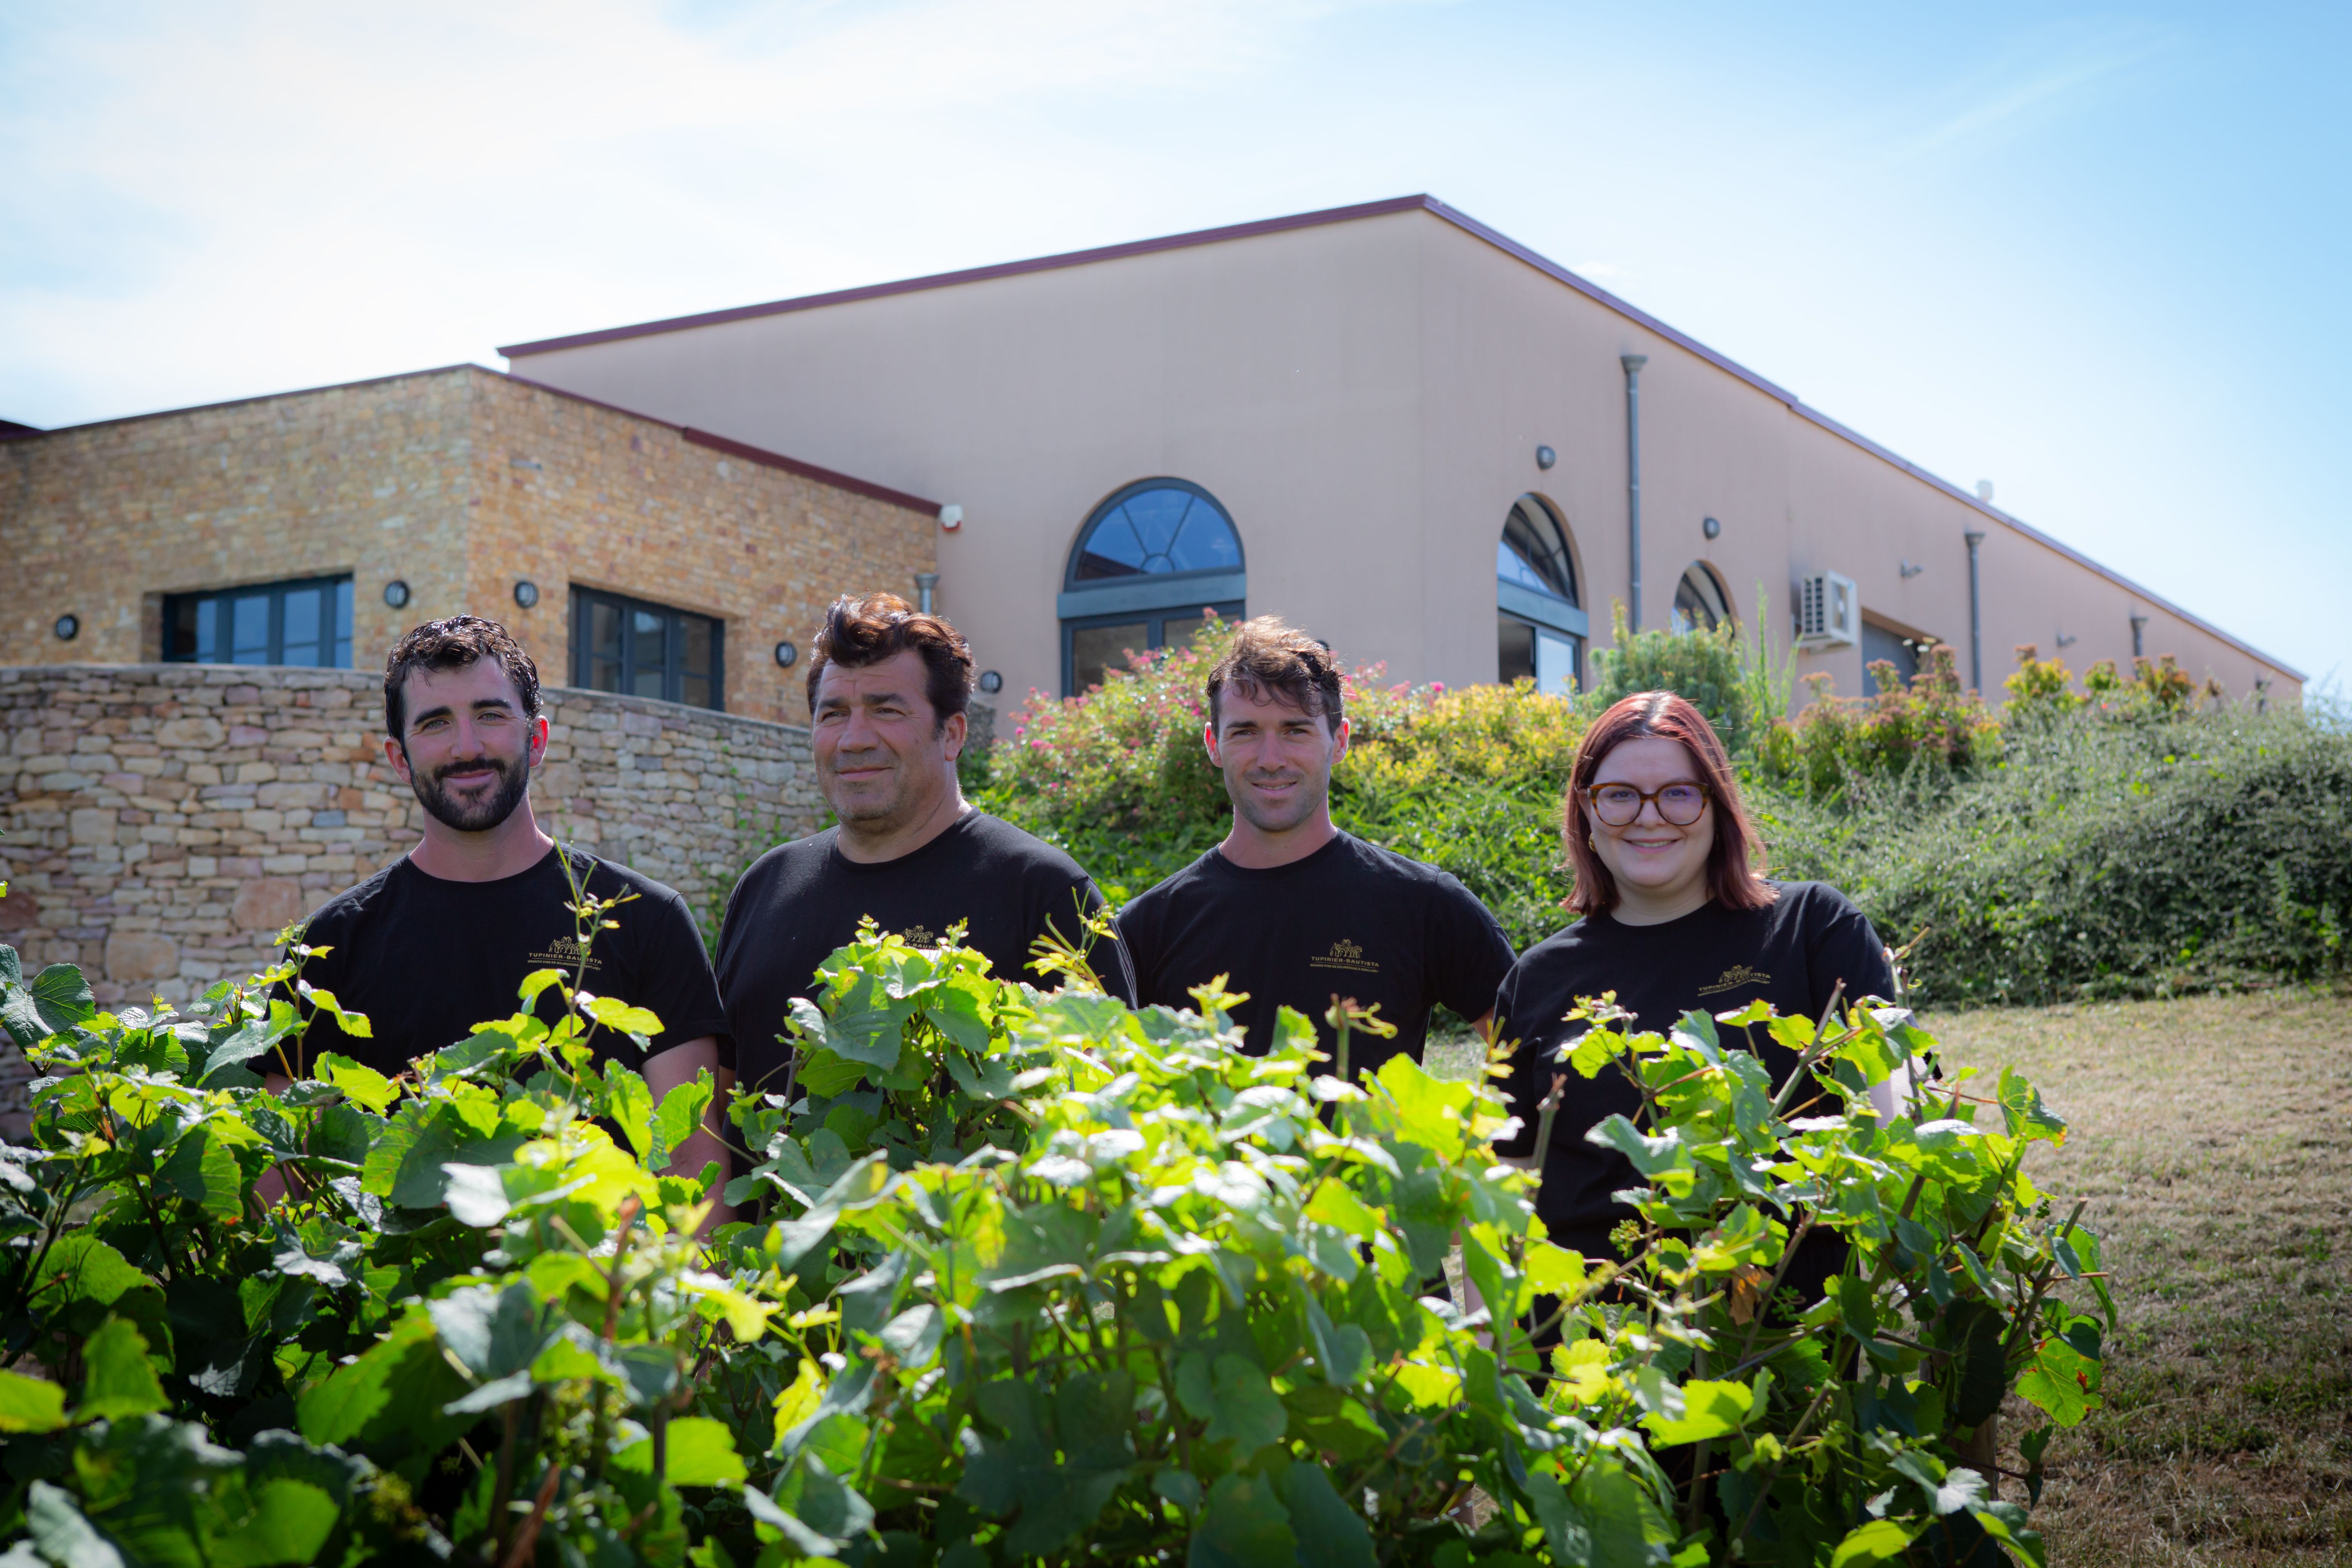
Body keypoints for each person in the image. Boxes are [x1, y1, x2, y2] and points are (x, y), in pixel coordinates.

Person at [286, 617, 733, 1192]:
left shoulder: (647, 921)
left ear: (537, 739)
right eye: (435, 723)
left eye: (491, 715)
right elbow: (289, 1179)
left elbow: (693, 1164)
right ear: (400, 759)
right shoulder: (330, 947)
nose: (467, 747)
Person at [1491, 690, 1895, 1286]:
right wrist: (1490, 1334)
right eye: (1620, 795)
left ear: (1717, 805)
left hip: (1779, 1328)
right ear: (1586, 810)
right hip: (1583, 1329)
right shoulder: (1536, 979)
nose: (1649, 816)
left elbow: (1893, 1126)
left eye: (1678, 793)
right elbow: (1503, 1193)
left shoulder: (1813, 929)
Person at [716, 593, 1136, 1096]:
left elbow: (1108, 1105)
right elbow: (717, 1102)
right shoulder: (764, 887)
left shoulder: (1043, 894)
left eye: (887, 710)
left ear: (953, 734)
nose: (854, 739)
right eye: (833, 715)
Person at [1116, 617, 1516, 1081]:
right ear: (1214, 744)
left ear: (1339, 742)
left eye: (1296, 731)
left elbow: (1531, 1059)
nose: (1271, 759)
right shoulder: (1149, 928)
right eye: (1245, 732)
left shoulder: (1424, 905)